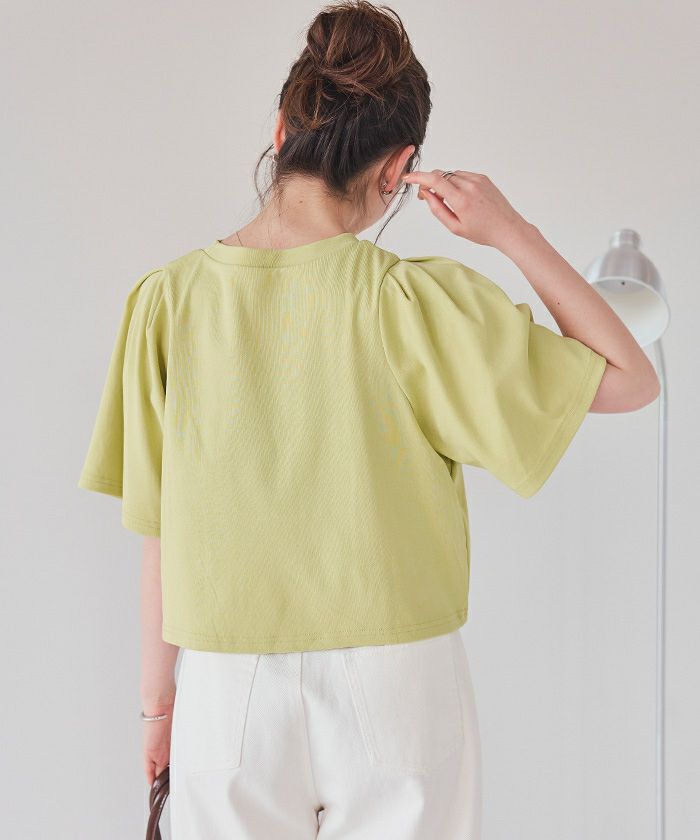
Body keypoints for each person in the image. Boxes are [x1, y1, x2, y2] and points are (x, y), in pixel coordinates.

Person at [76, 2, 660, 838]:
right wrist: (511, 231)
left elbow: (158, 531)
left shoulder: (165, 302)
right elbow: (629, 377)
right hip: (398, 683)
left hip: (226, 692)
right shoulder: (412, 302)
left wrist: (158, 709)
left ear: (282, 131)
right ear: (400, 170)